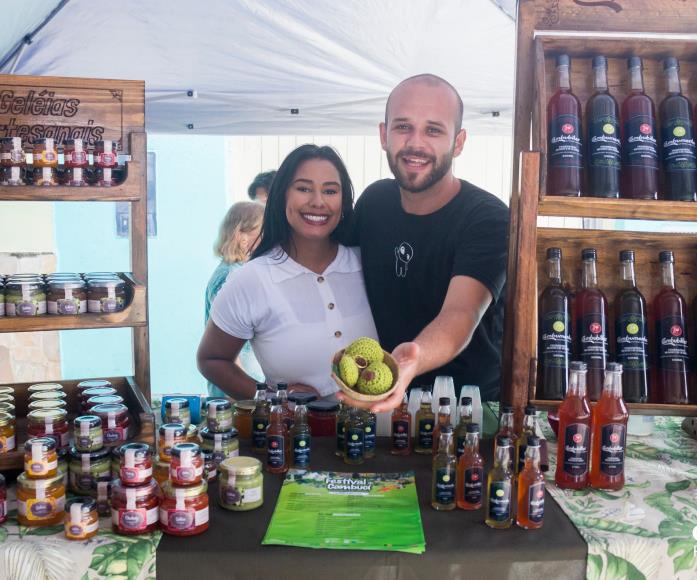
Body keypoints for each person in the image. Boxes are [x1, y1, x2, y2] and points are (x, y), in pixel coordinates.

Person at [342, 74, 509, 413]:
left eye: (433, 130)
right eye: (403, 127)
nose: (415, 143)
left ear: (458, 143)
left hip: (467, 414)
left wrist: (410, 362)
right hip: (381, 404)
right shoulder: (374, 202)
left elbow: (461, 312)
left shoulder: (487, 217)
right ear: (383, 135)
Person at [197, 145, 377, 400]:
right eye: (303, 188)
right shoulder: (252, 279)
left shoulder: (368, 263)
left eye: (330, 190)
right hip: (295, 437)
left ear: (344, 200)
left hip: (380, 436)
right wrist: (274, 399)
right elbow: (211, 359)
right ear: (282, 196)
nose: (318, 201)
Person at [204, 200, 265, 396]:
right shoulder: (229, 276)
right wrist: (240, 397)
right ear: (242, 237)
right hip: (236, 393)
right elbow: (228, 344)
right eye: (263, 231)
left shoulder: (240, 271)